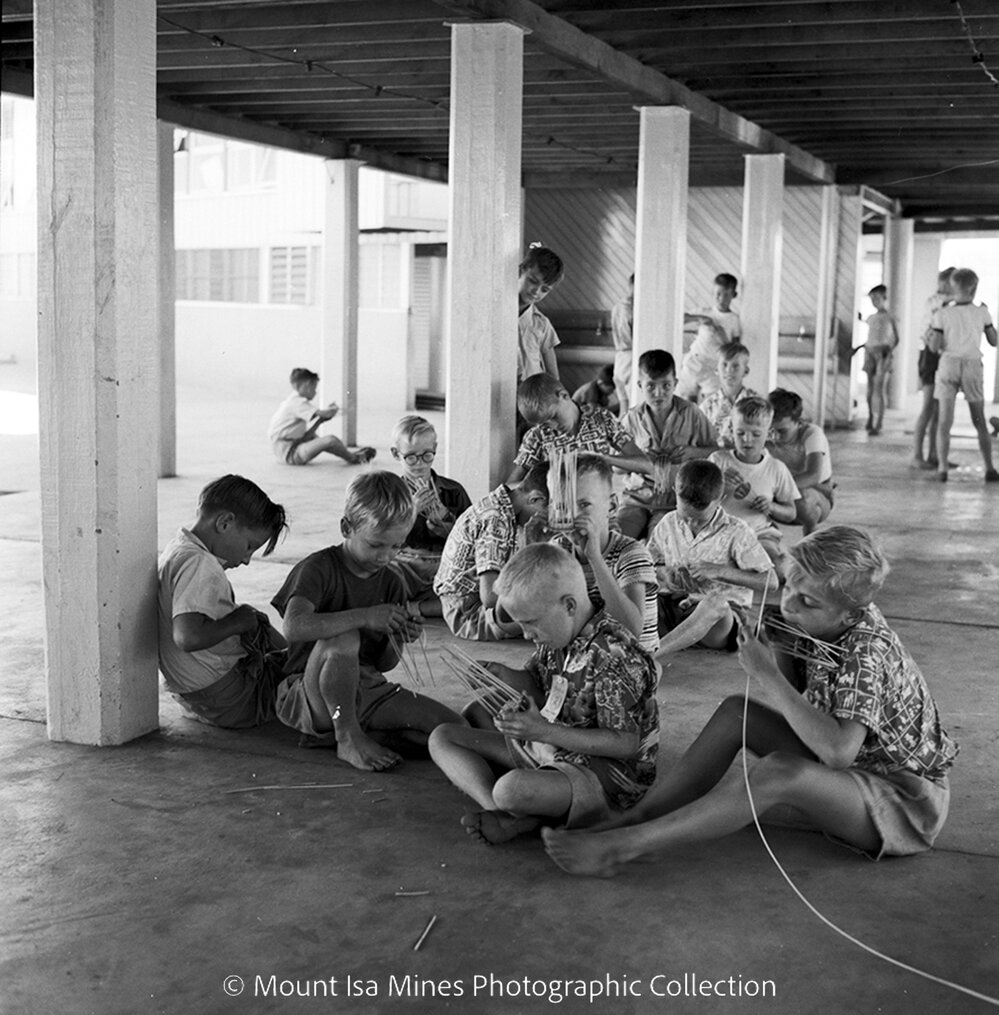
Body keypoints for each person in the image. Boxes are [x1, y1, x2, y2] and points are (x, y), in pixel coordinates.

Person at [543, 526, 958, 877]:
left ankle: (627, 846)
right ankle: (638, 817)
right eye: (790, 586)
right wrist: (775, 645)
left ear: (850, 615)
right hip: (853, 771)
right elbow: (802, 699)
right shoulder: (821, 619)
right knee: (734, 712)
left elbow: (837, 751)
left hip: (900, 801)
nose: (790, 603)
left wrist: (767, 674)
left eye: (807, 601)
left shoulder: (866, 651)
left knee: (778, 772)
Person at [428, 543, 660, 844]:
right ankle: (503, 812)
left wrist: (543, 731)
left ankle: (519, 807)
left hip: (607, 773)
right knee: (444, 735)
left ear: (569, 606)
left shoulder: (614, 656)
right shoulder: (557, 635)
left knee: (511, 790)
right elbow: (540, 685)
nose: (526, 634)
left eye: (530, 623)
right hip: (553, 743)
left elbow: (625, 744)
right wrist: (503, 675)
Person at [271, 471, 463, 771]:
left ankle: (361, 734)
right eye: (375, 545)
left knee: (453, 730)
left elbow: (384, 664)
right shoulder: (318, 568)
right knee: (344, 637)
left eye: (396, 546)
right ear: (346, 528)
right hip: (312, 695)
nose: (385, 556)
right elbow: (294, 627)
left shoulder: (392, 583)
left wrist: (398, 635)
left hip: (366, 687)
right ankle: (347, 736)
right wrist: (365, 617)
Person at [157, 475, 289, 728]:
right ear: (225, 523)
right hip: (232, 698)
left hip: (198, 696)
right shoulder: (200, 564)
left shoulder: (178, 550)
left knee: (255, 621)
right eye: (249, 546)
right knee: (314, 666)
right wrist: (236, 623)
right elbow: (188, 637)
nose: (247, 559)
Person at [533, 454, 659, 654]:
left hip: (628, 659)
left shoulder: (631, 554)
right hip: (581, 656)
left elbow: (631, 630)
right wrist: (535, 550)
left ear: (612, 505)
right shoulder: (558, 549)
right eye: (562, 506)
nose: (573, 516)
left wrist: (595, 558)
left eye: (584, 505)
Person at [648, 460, 775, 658]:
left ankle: (650, 655)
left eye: (700, 518)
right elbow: (648, 565)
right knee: (632, 585)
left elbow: (771, 582)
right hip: (674, 609)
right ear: (675, 492)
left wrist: (721, 572)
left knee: (716, 602)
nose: (691, 522)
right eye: (685, 516)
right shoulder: (668, 522)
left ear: (720, 499)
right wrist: (663, 573)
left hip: (716, 625)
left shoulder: (736, 530)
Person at [433, 466, 550, 640]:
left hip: (468, 603)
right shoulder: (495, 519)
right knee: (554, 614)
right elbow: (490, 598)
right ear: (535, 498)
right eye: (549, 514)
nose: (549, 521)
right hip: (470, 614)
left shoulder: (505, 505)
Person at [616, 349, 717, 540]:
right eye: (650, 386)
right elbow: (616, 468)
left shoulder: (691, 413)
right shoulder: (632, 419)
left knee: (660, 542)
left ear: (675, 384)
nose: (658, 393)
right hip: (636, 499)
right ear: (640, 385)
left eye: (666, 385)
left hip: (674, 501)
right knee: (619, 539)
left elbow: (717, 452)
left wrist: (693, 452)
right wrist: (639, 459)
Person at [388, 415, 471, 616]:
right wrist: (412, 511)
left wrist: (447, 523)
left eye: (427, 455)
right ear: (396, 454)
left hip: (443, 564)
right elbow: (384, 539)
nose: (420, 464)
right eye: (411, 457)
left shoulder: (453, 490)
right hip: (406, 564)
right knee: (378, 576)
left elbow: (473, 539)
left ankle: (414, 608)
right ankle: (432, 605)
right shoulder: (391, 493)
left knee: (479, 583)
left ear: (435, 449)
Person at [507, 373, 650, 485]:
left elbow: (645, 465)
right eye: (543, 424)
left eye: (554, 416)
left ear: (564, 396)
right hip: (559, 511)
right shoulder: (537, 436)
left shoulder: (602, 419)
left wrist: (605, 459)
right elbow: (514, 484)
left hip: (602, 509)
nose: (553, 426)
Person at [709, 396, 799, 567]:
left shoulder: (776, 468)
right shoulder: (718, 460)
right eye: (740, 433)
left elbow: (791, 513)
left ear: (769, 434)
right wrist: (718, 483)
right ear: (731, 430)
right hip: (720, 532)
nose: (747, 440)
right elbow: (698, 500)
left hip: (759, 534)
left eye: (756, 434)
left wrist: (771, 507)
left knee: (776, 567)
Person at [928, 267, 999, 483]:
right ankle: (989, 468)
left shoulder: (942, 314)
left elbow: (934, 347)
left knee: (944, 421)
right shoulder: (982, 312)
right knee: (979, 420)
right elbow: (994, 341)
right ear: (974, 289)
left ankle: (942, 468)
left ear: (952, 287)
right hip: (972, 365)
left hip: (948, 364)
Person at [267, 367, 375, 466]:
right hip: (290, 453)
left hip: (288, 447)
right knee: (331, 440)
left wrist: (320, 421)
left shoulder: (292, 402)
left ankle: (349, 455)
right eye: (314, 388)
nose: (315, 392)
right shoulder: (297, 403)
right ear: (307, 385)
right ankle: (353, 458)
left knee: (316, 438)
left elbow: (306, 434)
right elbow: (324, 413)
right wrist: (335, 409)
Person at [768, 388, 834, 534]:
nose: (775, 437)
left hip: (816, 496)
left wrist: (775, 488)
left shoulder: (811, 434)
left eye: (782, 431)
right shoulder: (765, 436)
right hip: (778, 494)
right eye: (770, 430)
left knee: (802, 496)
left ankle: (810, 532)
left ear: (797, 422)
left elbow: (813, 475)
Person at [910, 268, 955, 470]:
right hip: (930, 356)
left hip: (941, 355)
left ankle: (934, 454)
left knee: (938, 410)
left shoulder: (945, 301)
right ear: (945, 283)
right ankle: (917, 455)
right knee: (928, 407)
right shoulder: (936, 301)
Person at [677, 272, 742, 401]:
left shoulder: (734, 320)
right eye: (718, 294)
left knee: (713, 401)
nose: (721, 299)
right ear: (712, 293)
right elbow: (679, 318)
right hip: (694, 360)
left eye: (726, 295)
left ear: (734, 295)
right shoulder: (706, 312)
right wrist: (701, 318)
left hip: (713, 367)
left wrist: (722, 335)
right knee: (687, 400)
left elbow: (735, 350)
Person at [854, 285, 899, 436]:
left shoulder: (890, 317)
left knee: (879, 389)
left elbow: (896, 339)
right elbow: (871, 337)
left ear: (884, 298)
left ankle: (879, 422)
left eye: (877, 298)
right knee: (870, 389)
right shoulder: (871, 318)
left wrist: (888, 353)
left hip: (883, 354)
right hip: (869, 353)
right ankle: (870, 417)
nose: (874, 301)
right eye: (872, 299)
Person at [518, 245, 565, 383]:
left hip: (530, 394)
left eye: (544, 289)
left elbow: (553, 377)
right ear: (520, 271)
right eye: (533, 281)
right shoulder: (495, 314)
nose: (536, 291)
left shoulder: (542, 324)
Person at [699, 342, 759, 449]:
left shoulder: (757, 403)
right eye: (724, 365)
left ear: (746, 371)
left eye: (735, 366)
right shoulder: (708, 407)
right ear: (716, 370)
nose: (729, 370)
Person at [611, 274, 634, 414]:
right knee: (633, 408)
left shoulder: (617, 307)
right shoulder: (632, 309)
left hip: (620, 358)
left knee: (624, 410)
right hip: (631, 358)